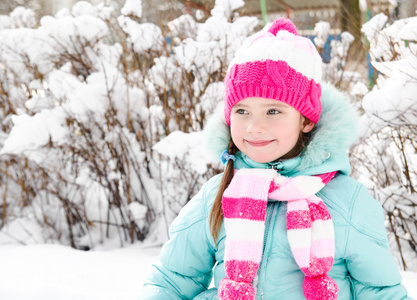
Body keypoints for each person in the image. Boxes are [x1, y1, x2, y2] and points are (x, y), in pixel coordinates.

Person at [140, 18, 411, 299]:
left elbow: (380, 291)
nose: (254, 127)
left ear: (306, 121)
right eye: (242, 111)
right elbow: (171, 281)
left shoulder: (347, 201)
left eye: (273, 111)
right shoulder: (219, 194)